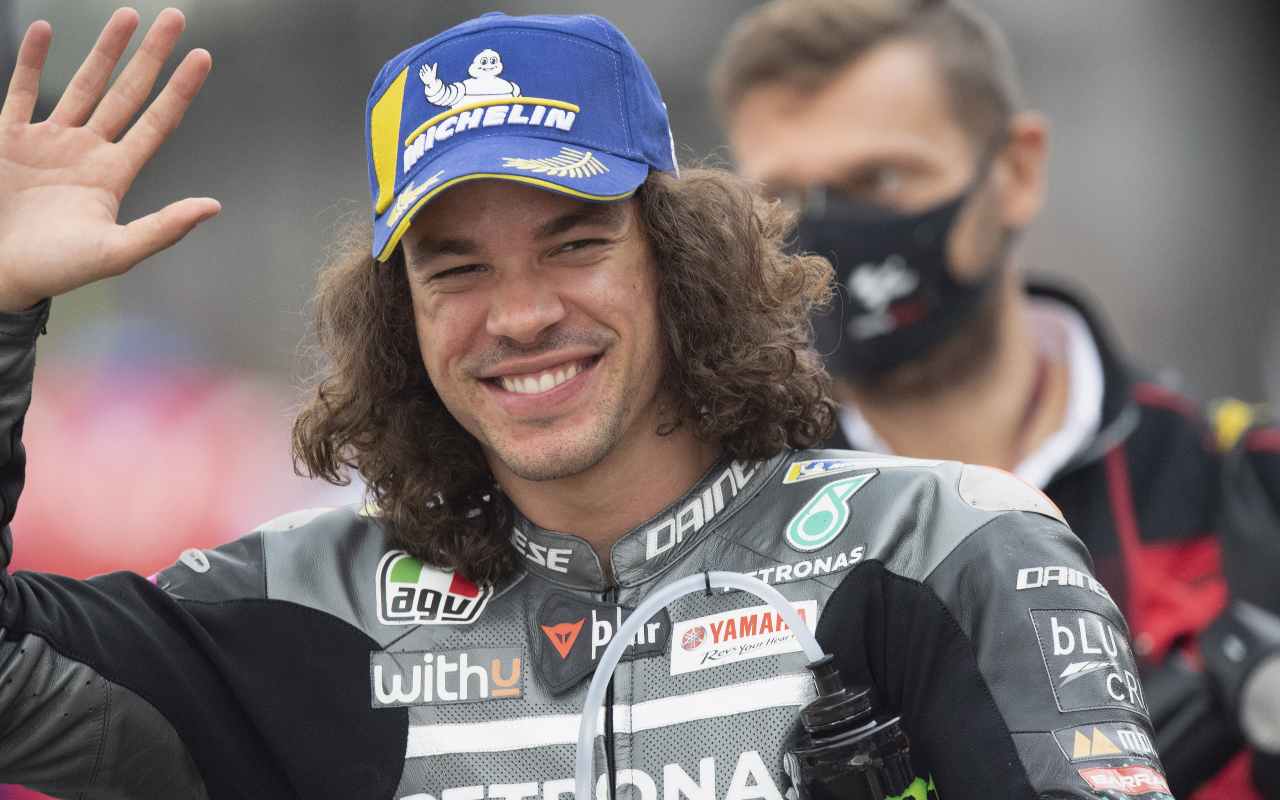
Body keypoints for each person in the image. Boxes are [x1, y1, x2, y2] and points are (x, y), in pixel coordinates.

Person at [0, 8, 1167, 800]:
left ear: (680, 259)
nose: (518, 315)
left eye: (573, 243)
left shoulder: (942, 545)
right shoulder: (305, 607)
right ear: (397, 315)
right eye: (457, 268)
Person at [711, 0, 1280, 796]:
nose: (830, 235)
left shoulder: (1251, 497)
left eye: (879, 180)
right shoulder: (724, 533)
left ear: (1016, 171)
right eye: (785, 201)